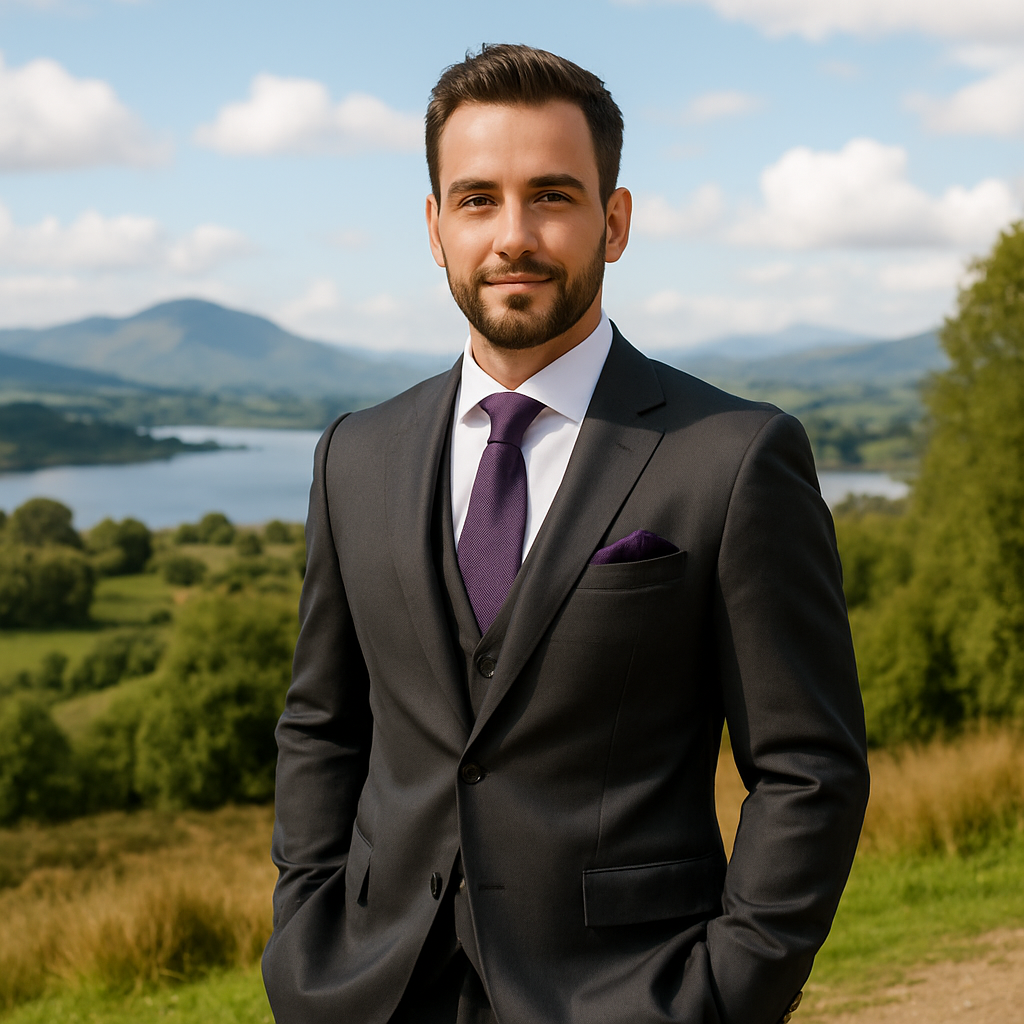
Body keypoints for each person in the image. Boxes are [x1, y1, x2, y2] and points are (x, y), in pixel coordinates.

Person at [262, 43, 869, 1024]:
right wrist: (306, 931)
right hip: (368, 990)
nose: (512, 236)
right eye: (476, 199)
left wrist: (720, 993)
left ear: (613, 221)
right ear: (433, 227)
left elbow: (810, 768)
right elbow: (323, 726)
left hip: (629, 995)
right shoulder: (355, 455)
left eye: (550, 195)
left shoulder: (732, 456)